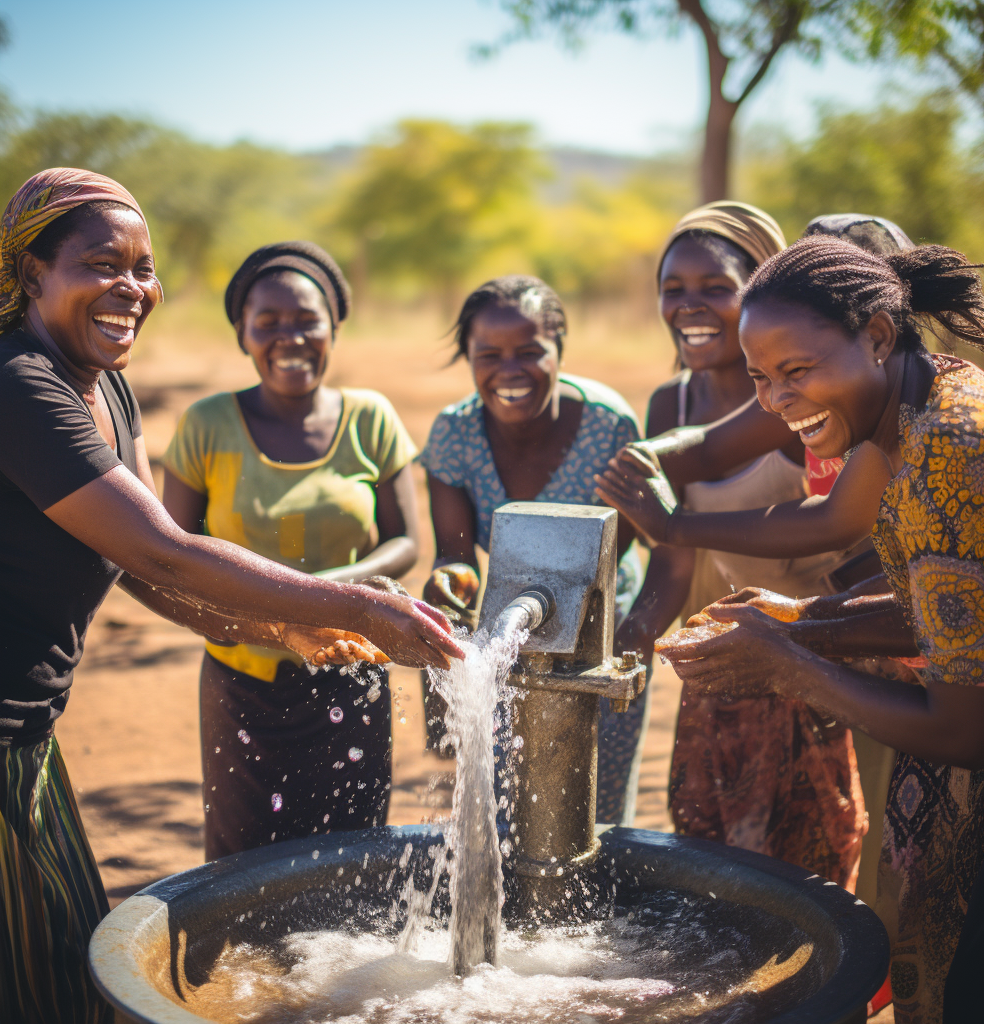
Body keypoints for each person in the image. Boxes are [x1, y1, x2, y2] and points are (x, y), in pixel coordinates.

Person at [0, 168, 461, 1024]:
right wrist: (354, 607)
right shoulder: (19, 382)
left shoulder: (103, 384)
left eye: (143, 268)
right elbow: (164, 548)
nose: (132, 289)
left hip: (27, 734)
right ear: (33, 274)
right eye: (103, 264)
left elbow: (138, 570)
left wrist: (282, 627)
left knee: (57, 965)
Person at [632, 235, 984, 1024]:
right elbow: (942, 605)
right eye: (761, 378)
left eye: (798, 372)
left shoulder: (962, 451)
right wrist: (799, 622)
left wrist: (784, 663)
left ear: (877, 336)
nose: (776, 401)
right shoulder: (908, 408)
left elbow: (965, 731)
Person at [612, 202, 867, 891]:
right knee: (711, 870)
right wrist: (635, 633)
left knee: (811, 877)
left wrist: (666, 513)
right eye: (673, 289)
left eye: (715, 288)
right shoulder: (673, 405)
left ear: (762, 292)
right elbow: (672, 556)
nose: (689, 306)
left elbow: (829, 523)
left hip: (819, 660)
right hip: (724, 661)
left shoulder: (803, 393)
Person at [162, 243, 418, 859]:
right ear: (242, 333)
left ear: (333, 328)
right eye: (268, 322)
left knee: (352, 854)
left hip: (352, 668)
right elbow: (171, 554)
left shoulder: (371, 419)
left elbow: (405, 541)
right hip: (241, 672)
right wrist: (289, 608)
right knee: (239, 854)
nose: (290, 337)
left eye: (307, 320)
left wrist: (328, 597)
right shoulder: (206, 425)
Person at [418, 274, 645, 824]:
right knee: (507, 794)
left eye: (530, 351)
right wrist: (452, 580)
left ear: (559, 350)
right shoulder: (455, 433)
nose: (509, 370)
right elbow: (456, 554)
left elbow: (624, 536)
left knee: (595, 798)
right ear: (469, 358)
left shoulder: (608, 424)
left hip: (603, 621)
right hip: (510, 622)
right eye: (488, 354)